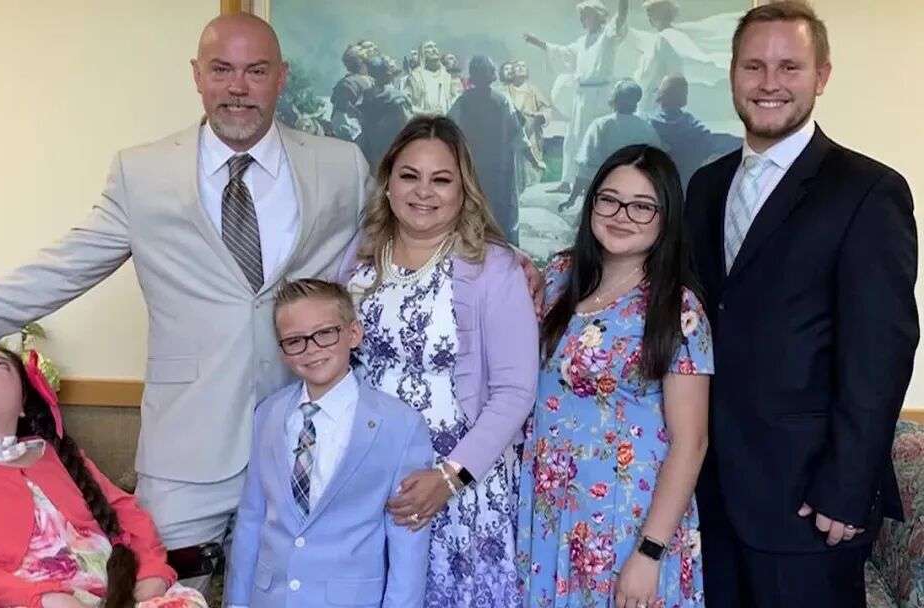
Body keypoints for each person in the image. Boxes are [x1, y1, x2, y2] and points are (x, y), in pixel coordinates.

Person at [0, 12, 373, 588]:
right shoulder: (143, 172)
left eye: (256, 71)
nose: (238, 87)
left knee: (300, 593)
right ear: (196, 75)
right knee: (158, 590)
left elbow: (392, 255)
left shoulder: (340, 166)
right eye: (221, 70)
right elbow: (66, 265)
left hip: (305, 433)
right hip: (185, 444)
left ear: (281, 77)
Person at [684, 3, 918, 606]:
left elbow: (882, 350)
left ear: (822, 76)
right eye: (753, 66)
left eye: (789, 66)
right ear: (733, 74)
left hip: (809, 503)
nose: (769, 82)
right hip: (709, 495)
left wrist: (847, 485)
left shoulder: (868, 191)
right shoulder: (706, 186)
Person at [336, 115, 539, 608]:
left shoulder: (494, 268)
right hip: (372, 474)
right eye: (409, 175)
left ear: (463, 190)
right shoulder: (359, 257)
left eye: (441, 179)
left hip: (461, 485)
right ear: (387, 182)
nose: (423, 191)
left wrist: (449, 479)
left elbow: (515, 392)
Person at [518, 144, 712, 608]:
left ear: (666, 218)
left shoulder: (678, 310)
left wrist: (650, 551)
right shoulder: (560, 276)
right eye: (609, 199)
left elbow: (691, 443)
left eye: (642, 206)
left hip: (626, 521)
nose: (621, 215)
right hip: (549, 509)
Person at [0, 339, 208, 608]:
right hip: (30, 599)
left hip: (121, 592)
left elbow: (127, 513)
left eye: (0, 366)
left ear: (22, 404)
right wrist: (45, 599)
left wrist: (152, 571)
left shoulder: (57, 456)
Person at [225, 279, 432, 608]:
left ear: (353, 333)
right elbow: (252, 517)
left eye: (324, 333)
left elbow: (408, 538)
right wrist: (236, 602)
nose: (311, 349)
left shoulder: (400, 424)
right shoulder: (268, 414)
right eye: (295, 340)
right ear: (282, 351)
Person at [524, 0, 629, 193]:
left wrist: (624, 3)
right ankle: (566, 181)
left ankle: (599, 182)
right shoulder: (582, 42)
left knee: (596, 139)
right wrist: (538, 43)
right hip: (581, 97)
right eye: (581, 16)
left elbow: (621, 19)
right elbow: (562, 53)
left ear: (598, 16)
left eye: (586, 16)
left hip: (599, 96)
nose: (582, 20)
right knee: (572, 138)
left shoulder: (607, 35)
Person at [449, 55, 533, 245]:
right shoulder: (501, 100)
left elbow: (449, 128)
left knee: (477, 206)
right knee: (499, 210)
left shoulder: (463, 101)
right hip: (496, 168)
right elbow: (517, 133)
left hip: (478, 167)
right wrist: (533, 159)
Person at [570, 79, 663, 208]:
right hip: (635, 194)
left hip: (603, 193)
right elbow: (657, 163)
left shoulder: (600, 125)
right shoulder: (646, 128)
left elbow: (586, 166)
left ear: (615, 99)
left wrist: (573, 197)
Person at [647, 74, 740, 188]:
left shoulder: (648, 126)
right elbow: (715, 143)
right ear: (683, 97)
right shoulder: (694, 128)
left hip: (658, 188)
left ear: (661, 95)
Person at [357, 55, 414, 173]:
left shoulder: (367, 95)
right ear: (387, 73)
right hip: (393, 147)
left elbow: (361, 120)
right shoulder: (397, 97)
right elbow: (408, 122)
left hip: (372, 149)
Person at [504, 60, 554, 190]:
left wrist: (539, 115)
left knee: (532, 175)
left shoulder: (533, 91)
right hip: (512, 140)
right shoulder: (505, 91)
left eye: (523, 66)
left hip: (532, 138)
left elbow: (547, 109)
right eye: (517, 66)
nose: (520, 68)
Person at [330, 43, 374, 142]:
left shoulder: (347, 82)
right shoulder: (350, 83)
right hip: (355, 133)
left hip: (356, 133)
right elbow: (342, 115)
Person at [405, 40, 461, 116]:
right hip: (424, 121)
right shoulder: (415, 76)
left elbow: (457, 100)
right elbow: (407, 105)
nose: (434, 49)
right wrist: (428, 113)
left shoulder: (447, 75)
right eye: (429, 47)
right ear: (422, 53)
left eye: (435, 46)